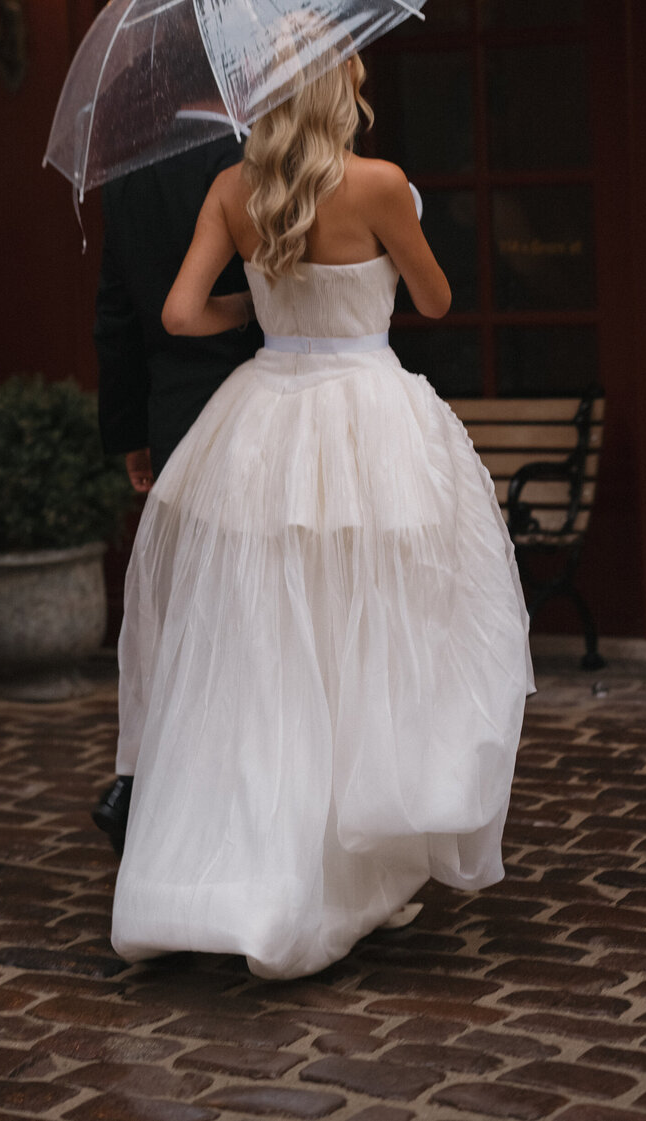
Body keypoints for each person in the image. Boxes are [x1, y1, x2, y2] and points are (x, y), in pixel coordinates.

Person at [109, 54, 533, 980]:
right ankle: (344, 866)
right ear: (339, 89)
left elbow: (181, 315)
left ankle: (223, 878)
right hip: (369, 419)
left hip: (262, 422)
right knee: (366, 638)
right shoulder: (378, 184)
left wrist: (265, 304)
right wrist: (389, 241)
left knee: (265, 650)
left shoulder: (231, 187)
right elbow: (435, 299)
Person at [91, 135, 262, 851]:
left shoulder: (130, 175)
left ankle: (149, 777)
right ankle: (232, 786)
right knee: (254, 608)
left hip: (175, 411)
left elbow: (117, 314)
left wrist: (134, 430)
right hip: (266, 404)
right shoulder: (263, 156)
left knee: (183, 605)